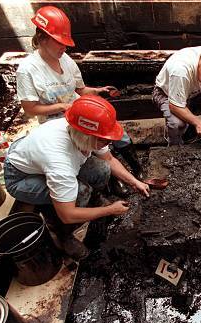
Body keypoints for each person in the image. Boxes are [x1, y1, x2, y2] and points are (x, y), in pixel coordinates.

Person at [4, 95, 150, 259]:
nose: (107, 143)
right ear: (87, 137)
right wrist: (109, 210)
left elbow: (108, 159)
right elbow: (68, 214)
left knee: (102, 169)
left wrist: (135, 182)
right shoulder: (59, 161)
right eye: (103, 140)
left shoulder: (81, 130)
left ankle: (94, 199)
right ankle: (63, 236)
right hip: (21, 178)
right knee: (81, 191)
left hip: (35, 157)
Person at [17, 5, 143, 190]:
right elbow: (30, 109)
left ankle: (136, 168)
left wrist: (98, 90)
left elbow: (81, 90)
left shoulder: (66, 60)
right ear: (42, 37)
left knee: (118, 134)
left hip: (81, 111)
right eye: (59, 42)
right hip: (57, 121)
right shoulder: (28, 70)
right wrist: (62, 108)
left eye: (65, 42)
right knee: (95, 148)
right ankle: (110, 179)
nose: (64, 47)